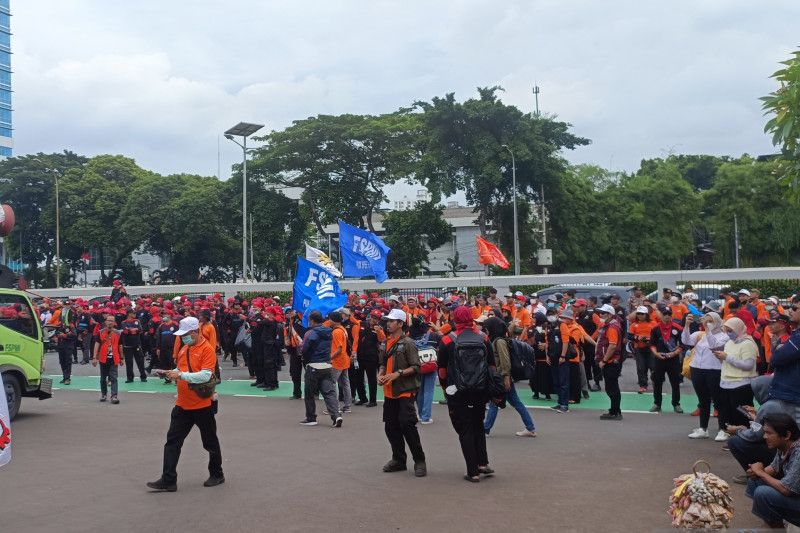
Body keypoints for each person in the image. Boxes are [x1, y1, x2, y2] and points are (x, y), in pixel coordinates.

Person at [147, 317, 224, 492]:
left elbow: (205, 376)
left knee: (210, 442)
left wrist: (180, 376)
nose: (183, 338)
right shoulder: (184, 349)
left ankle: (217, 474)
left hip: (202, 404)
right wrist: (169, 373)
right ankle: (168, 480)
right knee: (172, 442)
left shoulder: (207, 350)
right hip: (182, 404)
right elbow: (181, 370)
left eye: (186, 335)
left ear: (195, 332)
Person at [437, 306, 496, 482]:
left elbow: (441, 370)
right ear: (471, 317)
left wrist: (445, 388)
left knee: (464, 429)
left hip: (457, 391)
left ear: (455, 319)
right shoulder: (483, 338)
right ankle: (482, 463)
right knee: (478, 424)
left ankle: (472, 471)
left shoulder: (448, 340)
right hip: (480, 390)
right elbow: (491, 366)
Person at [378, 308, 426, 477]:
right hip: (389, 391)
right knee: (390, 427)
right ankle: (398, 459)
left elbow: (416, 367)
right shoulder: (385, 342)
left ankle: (419, 461)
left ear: (400, 324)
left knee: (407, 425)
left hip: (404, 391)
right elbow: (383, 363)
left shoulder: (408, 343)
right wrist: (381, 374)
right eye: (387, 321)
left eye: (391, 321)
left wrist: (396, 374)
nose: (388, 324)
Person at [483, 316, 537, 437]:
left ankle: (485, 429)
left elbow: (505, 361)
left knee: (494, 402)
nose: (485, 330)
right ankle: (530, 427)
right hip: (504, 377)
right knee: (515, 402)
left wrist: (506, 377)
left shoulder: (499, 341)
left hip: (502, 377)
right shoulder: (502, 339)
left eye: (487, 327)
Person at [745, 413, 800, 528]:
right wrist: (755, 471)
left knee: (763, 493)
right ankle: (773, 523)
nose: (765, 436)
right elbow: (773, 468)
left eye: (769, 433)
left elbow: (786, 489)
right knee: (755, 481)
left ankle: (776, 526)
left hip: (793, 493)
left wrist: (760, 472)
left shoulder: (798, 452)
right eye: (765, 432)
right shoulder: (785, 446)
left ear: (787, 435)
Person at [683, 312, 729, 440]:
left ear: (718, 322)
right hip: (697, 368)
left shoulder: (724, 336)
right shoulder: (700, 335)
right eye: (706, 321)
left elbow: (714, 345)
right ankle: (703, 429)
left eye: (711, 321)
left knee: (719, 401)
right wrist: (687, 325)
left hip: (714, 370)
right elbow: (685, 340)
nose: (707, 324)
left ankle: (723, 429)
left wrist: (707, 329)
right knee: (703, 401)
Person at [712, 317, 758, 442]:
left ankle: (745, 439)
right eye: (726, 330)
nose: (728, 333)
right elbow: (727, 362)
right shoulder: (729, 343)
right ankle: (732, 438)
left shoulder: (748, 343)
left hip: (742, 385)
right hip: (726, 383)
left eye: (730, 330)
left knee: (741, 414)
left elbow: (748, 365)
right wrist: (721, 357)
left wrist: (727, 357)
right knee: (727, 413)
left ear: (738, 329)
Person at [299, 310, 342, 428]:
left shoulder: (310, 333)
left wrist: (301, 349)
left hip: (313, 365)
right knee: (329, 392)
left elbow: (304, 349)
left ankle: (311, 418)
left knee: (309, 394)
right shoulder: (329, 331)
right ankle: (336, 415)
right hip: (327, 365)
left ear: (312, 320)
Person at [649, 307, 684, 413]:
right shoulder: (655, 329)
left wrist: (673, 353)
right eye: (665, 314)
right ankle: (657, 404)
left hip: (673, 359)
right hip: (659, 359)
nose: (667, 316)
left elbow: (682, 345)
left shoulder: (678, 328)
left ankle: (676, 404)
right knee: (657, 382)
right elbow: (652, 344)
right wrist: (656, 353)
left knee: (675, 382)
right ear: (661, 315)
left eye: (669, 314)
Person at [595, 304, 623, 420]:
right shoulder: (609, 325)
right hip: (610, 361)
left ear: (610, 315)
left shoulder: (612, 327)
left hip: (610, 361)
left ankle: (615, 412)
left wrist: (604, 360)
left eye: (603, 313)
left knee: (612, 387)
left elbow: (612, 346)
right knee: (611, 387)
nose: (601, 315)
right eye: (600, 313)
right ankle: (614, 410)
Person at [355, 309, 384, 407]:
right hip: (360, 356)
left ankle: (373, 400)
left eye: (376, 318)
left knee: (371, 379)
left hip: (371, 357)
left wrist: (378, 330)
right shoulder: (362, 324)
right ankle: (362, 398)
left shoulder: (379, 328)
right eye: (372, 317)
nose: (373, 319)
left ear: (378, 319)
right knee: (358, 378)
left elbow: (382, 340)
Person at [92, 314, 123, 404]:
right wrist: (94, 357)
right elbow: (97, 344)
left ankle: (114, 396)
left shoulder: (118, 333)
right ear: (105, 322)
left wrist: (122, 358)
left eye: (112, 321)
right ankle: (104, 394)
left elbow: (120, 345)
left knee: (114, 378)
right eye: (108, 320)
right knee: (103, 378)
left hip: (114, 359)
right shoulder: (100, 332)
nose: (110, 322)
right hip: (103, 358)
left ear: (114, 323)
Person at [328, 311, 352, 414]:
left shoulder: (336, 331)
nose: (329, 321)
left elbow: (339, 349)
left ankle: (335, 408)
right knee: (345, 384)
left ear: (333, 320)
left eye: (330, 319)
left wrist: (330, 358)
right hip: (344, 360)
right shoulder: (342, 329)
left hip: (337, 361)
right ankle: (347, 406)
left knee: (333, 384)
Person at [629, 305, 656, 394]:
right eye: (638, 314)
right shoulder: (634, 324)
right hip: (639, 349)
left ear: (646, 314)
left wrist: (649, 339)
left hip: (651, 348)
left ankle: (656, 383)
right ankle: (643, 386)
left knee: (653, 367)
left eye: (642, 314)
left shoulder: (653, 323)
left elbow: (658, 335)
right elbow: (630, 336)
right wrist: (637, 337)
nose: (640, 315)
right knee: (641, 368)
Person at [121, 309, 147, 383]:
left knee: (140, 361)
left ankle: (143, 377)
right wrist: (134, 330)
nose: (135, 314)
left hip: (137, 344)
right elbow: (125, 331)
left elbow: (140, 330)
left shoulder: (137, 321)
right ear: (129, 314)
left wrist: (131, 330)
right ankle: (130, 378)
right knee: (129, 363)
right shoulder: (123, 322)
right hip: (127, 345)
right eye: (134, 313)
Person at [55, 300, 77, 385]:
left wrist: (65, 336)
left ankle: (67, 378)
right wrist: (58, 335)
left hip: (68, 344)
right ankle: (64, 377)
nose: (66, 307)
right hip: (61, 344)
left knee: (68, 361)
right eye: (65, 305)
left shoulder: (71, 325)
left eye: (68, 305)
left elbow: (74, 335)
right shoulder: (60, 324)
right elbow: (56, 331)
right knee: (62, 361)